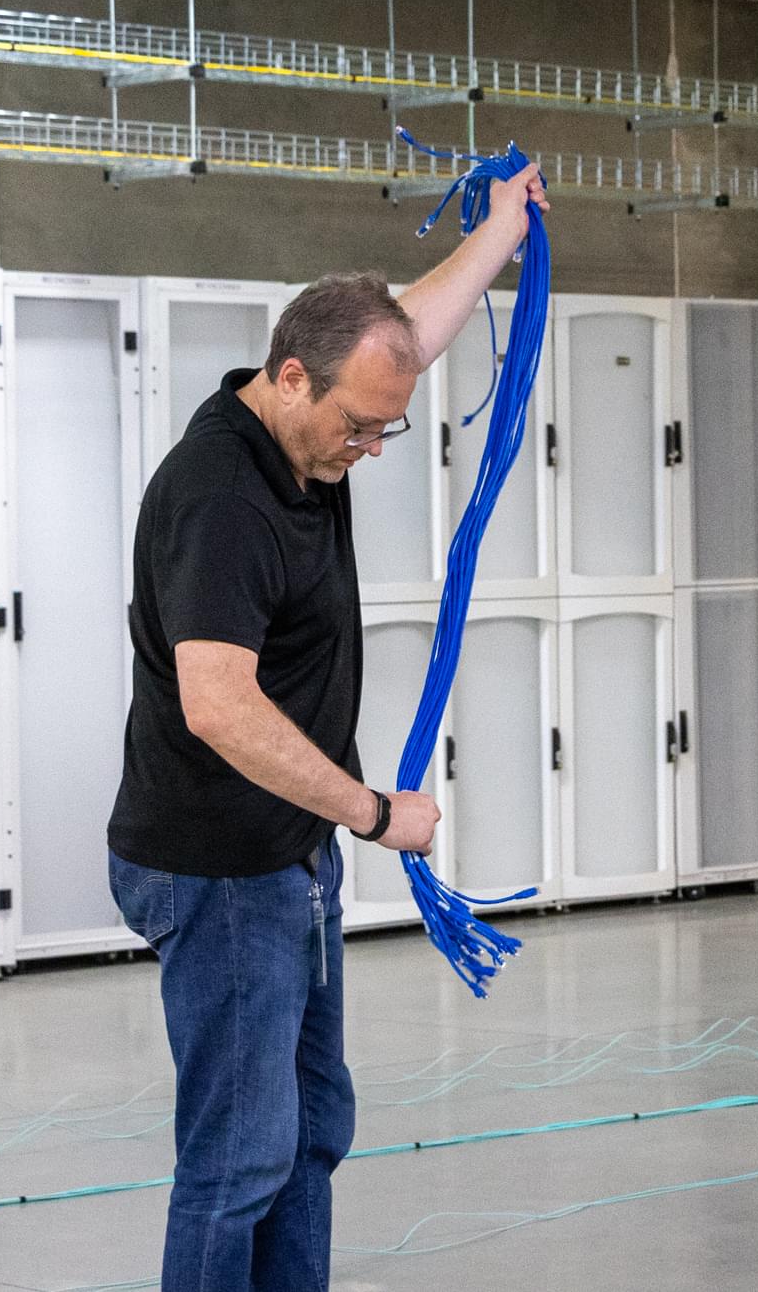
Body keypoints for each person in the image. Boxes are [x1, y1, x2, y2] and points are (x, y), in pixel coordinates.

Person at [106, 163, 551, 1291]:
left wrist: (500, 233)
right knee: (240, 1155)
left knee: (310, 1133)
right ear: (292, 377)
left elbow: (402, 336)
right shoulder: (223, 496)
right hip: (219, 866)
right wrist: (370, 813)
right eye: (359, 427)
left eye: (387, 427)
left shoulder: (309, 422)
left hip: (285, 860)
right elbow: (217, 705)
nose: (371, 448)